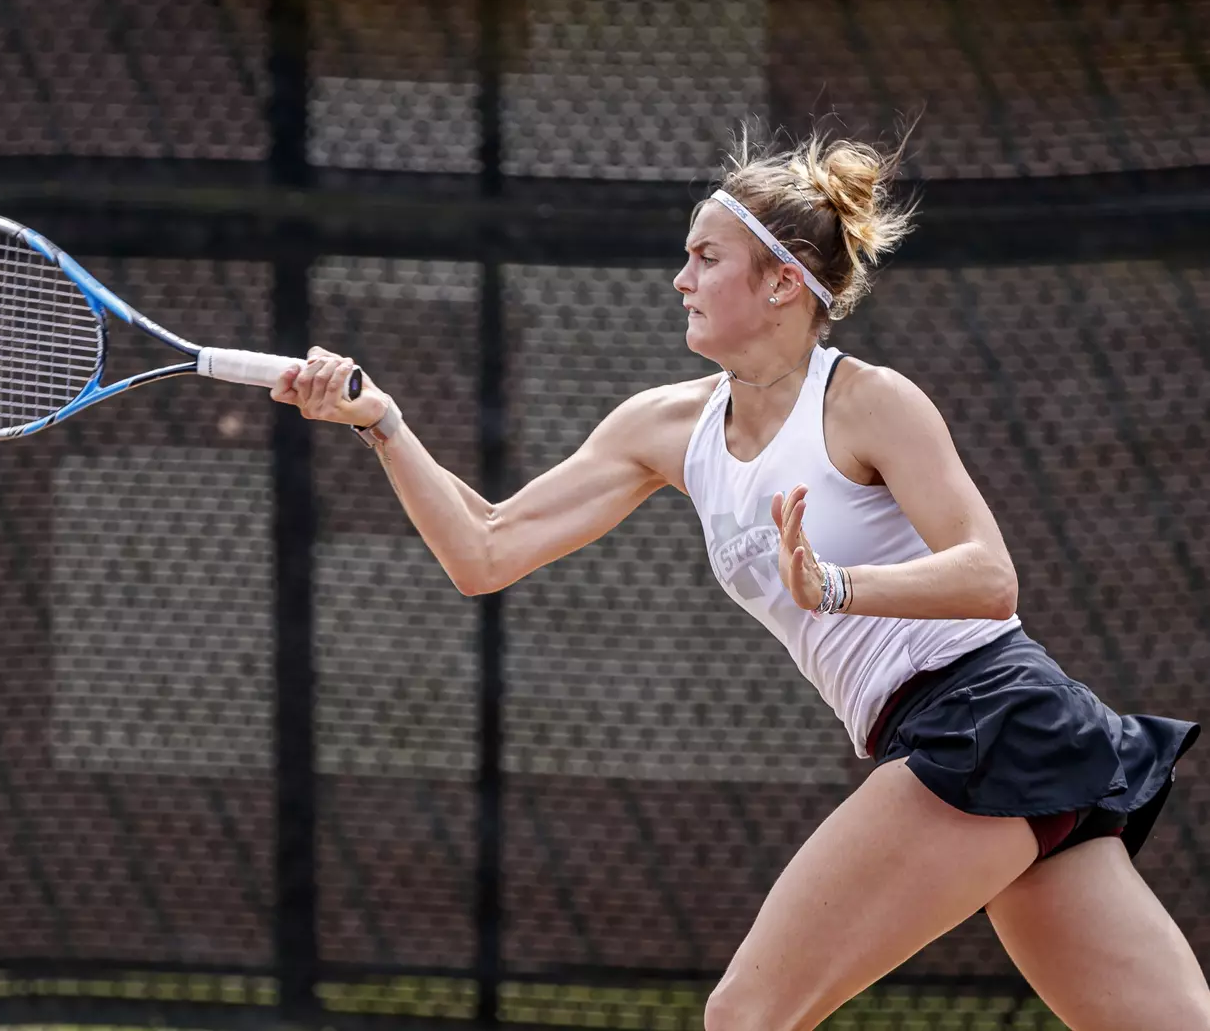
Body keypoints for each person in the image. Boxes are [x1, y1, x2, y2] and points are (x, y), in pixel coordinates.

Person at [270, 128, 1208, 1031]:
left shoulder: (868, 401)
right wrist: (380, 425)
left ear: (783, 283)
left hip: (989, 715)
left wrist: (836, 585)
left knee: (749, 1014)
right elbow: (485, 550)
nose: (680, 278)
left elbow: (989, 578)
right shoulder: (664, 426)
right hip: (973, 735)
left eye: (706, 257)